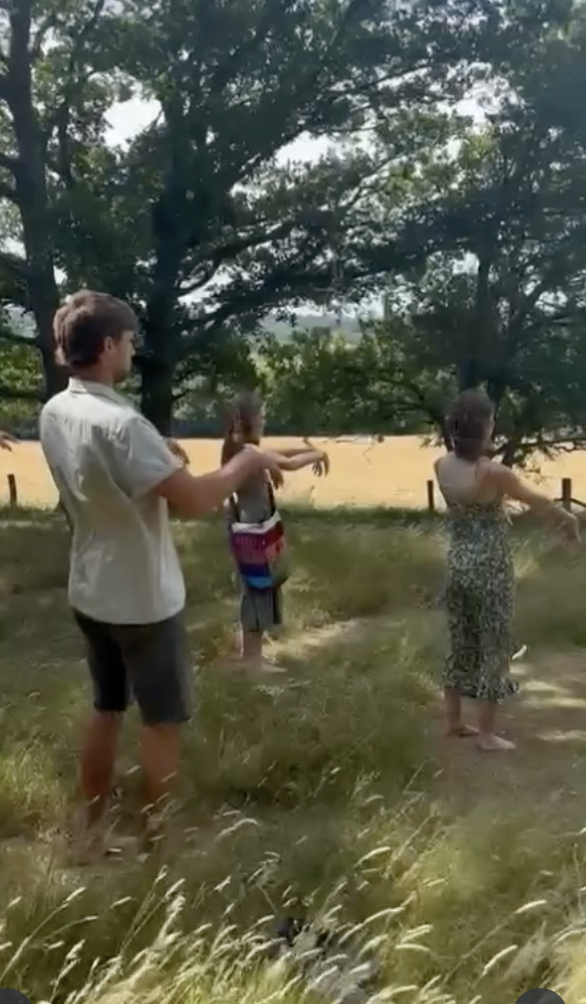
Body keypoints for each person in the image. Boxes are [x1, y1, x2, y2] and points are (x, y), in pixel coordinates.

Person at [39, 289, 285, 860]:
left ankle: (90, 832)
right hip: (143, 598)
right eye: (128, 341)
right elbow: (195, 500)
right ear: (107, 346)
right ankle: (156, 841)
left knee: (106, 707)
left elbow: (111, 473)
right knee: (162, 721)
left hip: (90, 587)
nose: (133, 350)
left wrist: (160, 454)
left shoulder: (57, 411)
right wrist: (247, 461)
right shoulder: (125, 425)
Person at [434, 389, 580, 752]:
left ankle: (453, 723)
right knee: (495, 645)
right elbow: (537, 501)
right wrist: (567, 520)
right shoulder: (492, 472)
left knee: (460, 642)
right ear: (485, 428)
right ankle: (486, 734)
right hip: (490, 568)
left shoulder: (442, 465)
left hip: (458, 564)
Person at [221, 391, 329, 674]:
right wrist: (318, 454)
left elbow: (281, 454)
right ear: (250, 420)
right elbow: (287, 463)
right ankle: (253, 659)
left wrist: (302, 450)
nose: (265, 420)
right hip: (254, 528)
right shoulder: (249, 452)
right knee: (257, 588)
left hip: (251, 525)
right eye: (262, 416)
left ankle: (251, 653)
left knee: (256, 586)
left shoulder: (241, 447)